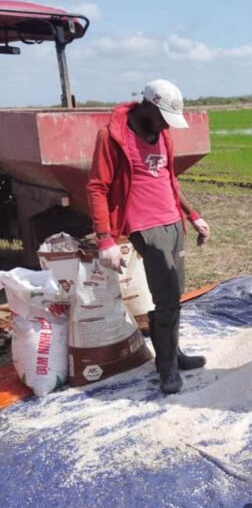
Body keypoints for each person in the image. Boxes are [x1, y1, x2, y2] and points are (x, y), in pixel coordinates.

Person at [87, 79, 209, 395]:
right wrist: (106, 239)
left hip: (172, 221)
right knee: (166, 295)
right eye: (163, 116)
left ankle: (173, 353)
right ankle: (167, 367)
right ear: (149, 106)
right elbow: (97, 187)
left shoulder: (163, 134)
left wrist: (193, 215)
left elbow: (170, 180)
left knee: (174, 293)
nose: (166, 125)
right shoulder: (113, 136)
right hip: (145, 226)